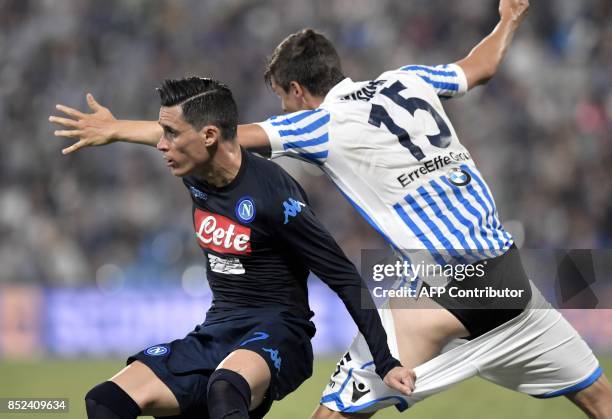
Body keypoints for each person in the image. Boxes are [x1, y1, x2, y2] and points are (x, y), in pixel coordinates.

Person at [50, 0, 612, 417]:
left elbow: (214, 138)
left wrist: (119, 129)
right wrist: (509, 18)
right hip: (507, 280)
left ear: (297, 90)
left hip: (450, 288)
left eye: (281, 100)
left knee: (336, 410)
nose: (283, 110)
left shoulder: (321, 123)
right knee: (596, 393)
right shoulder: (410, 80)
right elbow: (480, 66)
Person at [72, 77, 414, 419]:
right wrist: (115, 129)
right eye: (163, 132)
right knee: (104, 402)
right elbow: (162, 133)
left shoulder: (274, 196)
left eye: (171, 134)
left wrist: (385, 362)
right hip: (218, 328)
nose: (162, 144)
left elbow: (343, 277)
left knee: (224, 389)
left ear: (208, 136)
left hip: (280, 330)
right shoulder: (193, 165)